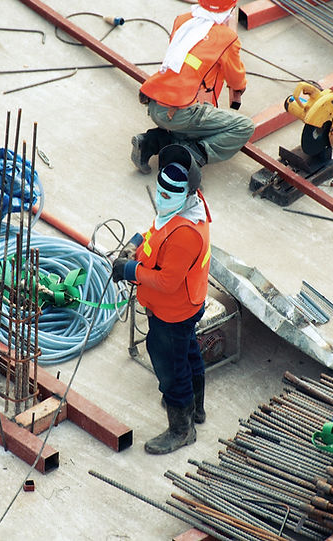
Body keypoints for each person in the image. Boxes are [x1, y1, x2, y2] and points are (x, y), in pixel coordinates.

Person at [112, 145, 211, 454]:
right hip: (186, 305)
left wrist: (130, 269)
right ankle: (195, 409)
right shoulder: (184, 208)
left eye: (170, 195)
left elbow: (168, 282)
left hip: (173, 311)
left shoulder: (186, 234)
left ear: (187, 192)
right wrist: (135, 244)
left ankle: (182, 429)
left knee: (171, 368)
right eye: (161, 192)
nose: (163, 199)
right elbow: (157, 230)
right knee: (189, 353)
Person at [132, 0, 254, 174]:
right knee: (243, 127)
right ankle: (191, 155)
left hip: (155, 103)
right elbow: (235, 78)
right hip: (180, 112)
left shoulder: (183, 20)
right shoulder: (227, 38)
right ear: (231, 8)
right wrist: (239, 89)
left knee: (193, 122)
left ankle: (149, 143)